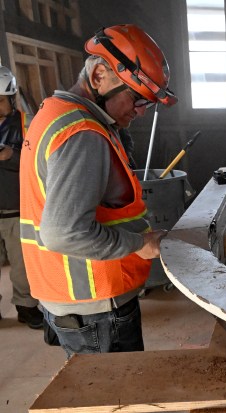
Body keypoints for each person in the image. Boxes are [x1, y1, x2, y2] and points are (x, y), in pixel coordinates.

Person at [19, 24, 177, 356]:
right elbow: (63, 233)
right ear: (100, 75)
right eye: (135, 98)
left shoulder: (52, 115)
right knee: (122, 402)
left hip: (71, 299)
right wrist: (141, 243)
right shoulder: (82, 133)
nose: (138, 111)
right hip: (96, 305)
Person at [0, 65, 44, 329]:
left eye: (0, 100)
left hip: (17, 209)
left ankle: (26, 308)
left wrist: (11, 156)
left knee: (21, 265)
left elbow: (39, 160)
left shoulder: (29, 123)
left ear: (12, 97)